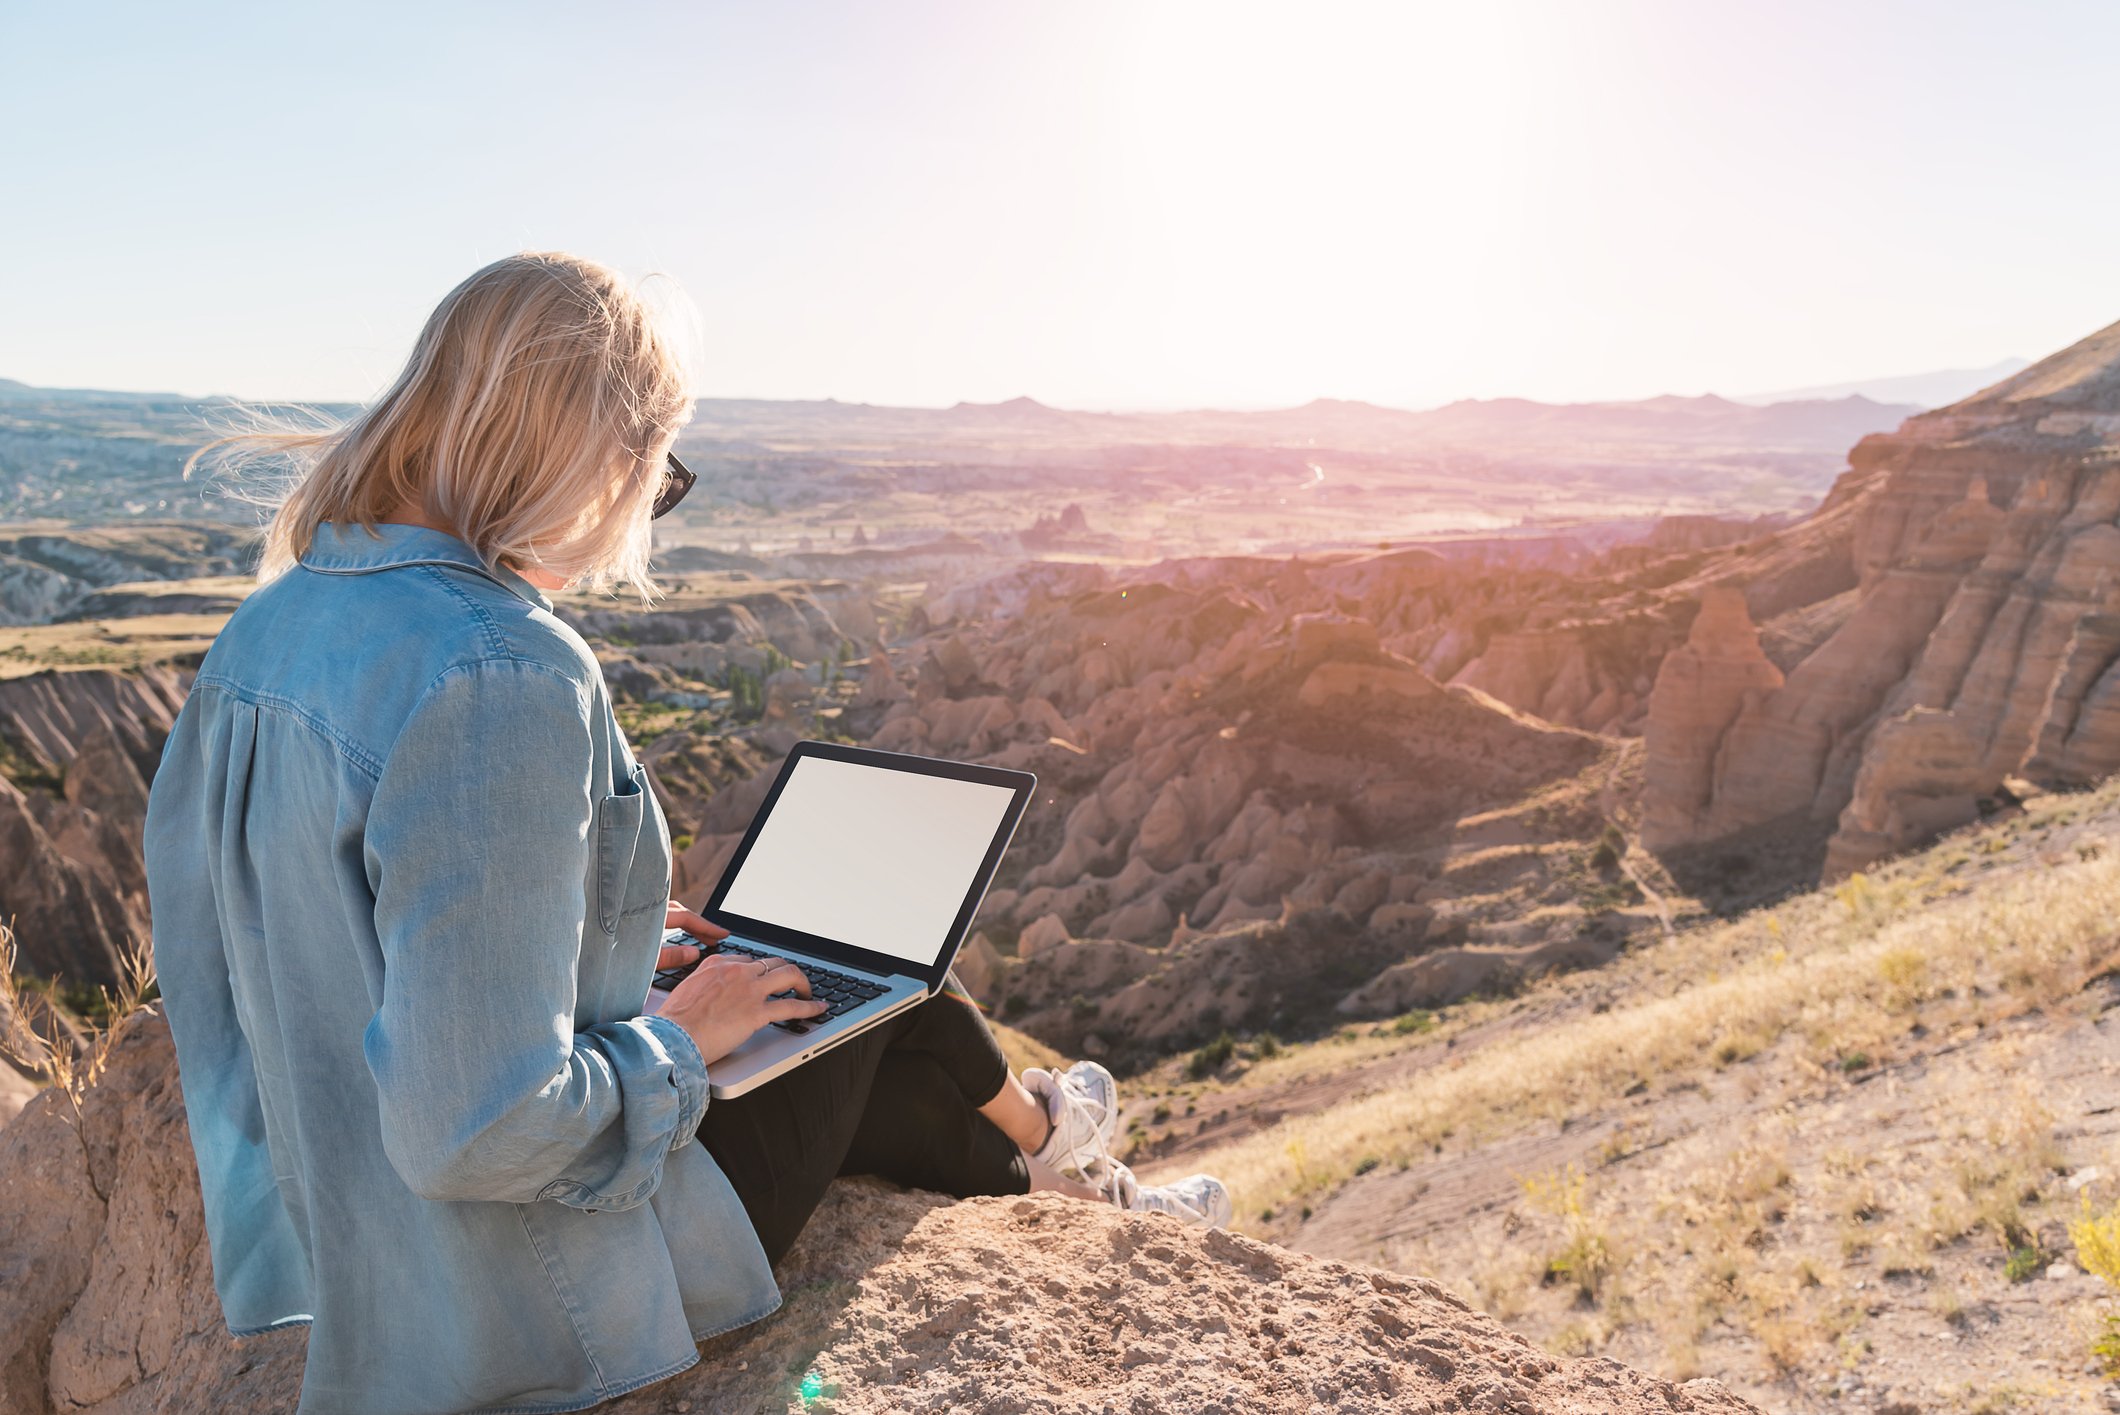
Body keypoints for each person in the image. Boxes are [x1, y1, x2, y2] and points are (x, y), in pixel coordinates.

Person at [144, 251, 1229, 1415]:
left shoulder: (274, 623)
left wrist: (575, 951)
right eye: (659, 474)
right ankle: (1067, 1153)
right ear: (599, 450)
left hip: (365, 1235)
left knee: (851, 1009)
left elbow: (323, 938)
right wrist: (676, 1041)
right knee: (876, 980)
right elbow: (477, 1130)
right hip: (518, 1282)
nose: (638, 510)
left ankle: (1061, 1167)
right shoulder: (499, 666)